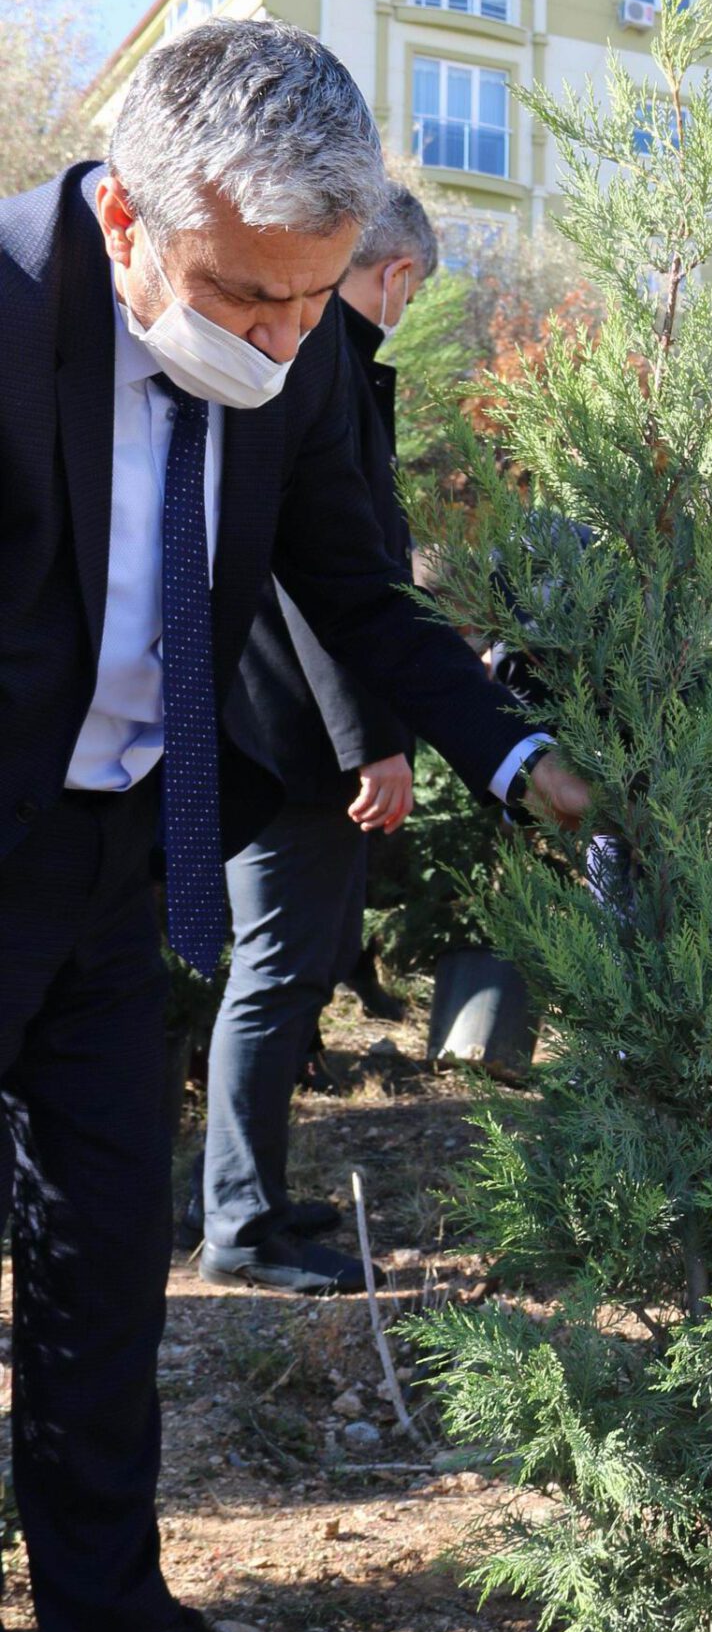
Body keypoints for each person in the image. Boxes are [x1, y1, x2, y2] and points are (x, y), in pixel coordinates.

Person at [0, 19, 585, 1632]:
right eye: (240, 293)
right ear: (122, 220)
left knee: (106, 1255)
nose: (272, 337)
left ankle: (106, 1625)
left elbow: (359, 593)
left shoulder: (304, 351)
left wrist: (521, 757)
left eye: (309, 303)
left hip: (107, 860)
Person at [199, 184, 437, 1294]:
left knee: (293, 978)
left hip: (294, 733)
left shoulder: (317, 351)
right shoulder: (315, 355)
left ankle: (261, 1204)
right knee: (275, 971)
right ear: (392, 274)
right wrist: (369, 739)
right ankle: (240, 1225)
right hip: (291, 739)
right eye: (416, 290)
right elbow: (320, 580)